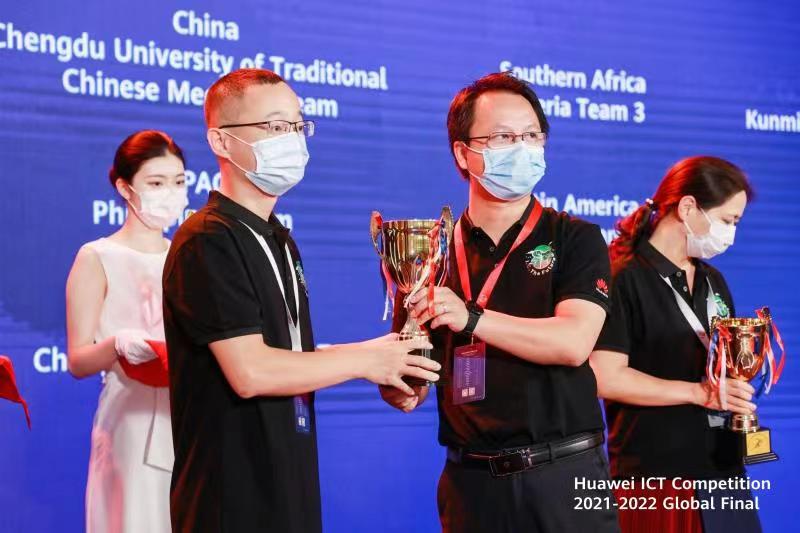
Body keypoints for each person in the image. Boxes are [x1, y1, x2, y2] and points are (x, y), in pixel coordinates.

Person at [162, 68, 440, 533]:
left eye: (297, 125)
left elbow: (288, 357)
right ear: (221, 141)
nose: (291, 139)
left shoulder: (278, 238)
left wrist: (388, 361)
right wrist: (365, 360)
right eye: (274, 126)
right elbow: (250, 372)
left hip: (288, 483)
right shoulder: (208, 239)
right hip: (231, 497)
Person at [380, 72, 619, 533]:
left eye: (532, 136)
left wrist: (471, 317)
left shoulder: (575, 238)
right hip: (471, 485)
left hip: (563, 476)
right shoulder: (430, 252)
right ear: (462, 153)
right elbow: (413, 380)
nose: (522, 148)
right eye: (504, 137)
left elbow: (573, 342)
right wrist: (401, 384)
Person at [590, 156, 762, 533]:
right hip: (657, 478)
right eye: (728, 221)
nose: (730, 235)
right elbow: (605, 377)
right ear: (687, 208)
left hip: (722, 473)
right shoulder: (623, 278)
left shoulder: (713, 280)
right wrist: (697, 393)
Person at [66, 130, 188, 532]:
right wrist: (118, 345)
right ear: (124, 187)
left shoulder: (187, 255)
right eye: (156, 183)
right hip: (129, 423)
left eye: (178, 182)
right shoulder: (97, 256)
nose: (170, 193)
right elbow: (78, 360)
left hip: (187, 417)